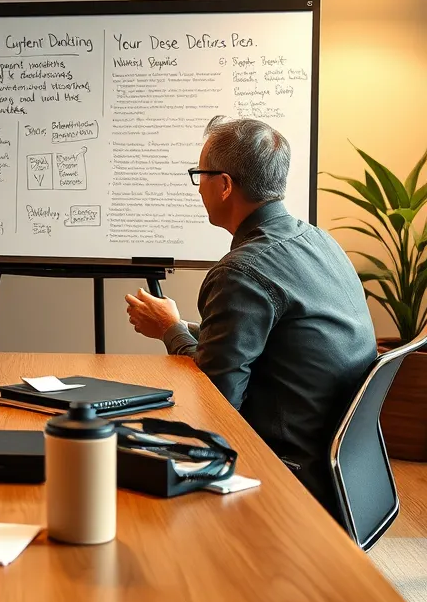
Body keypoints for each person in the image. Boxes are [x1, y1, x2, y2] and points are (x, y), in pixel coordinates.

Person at [124, 116, 377, 518]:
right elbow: (274, 343)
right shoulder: (318, 240)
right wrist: (180, 325)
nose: (199, 187)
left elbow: (218, 404)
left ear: (224, 185)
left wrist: (171, 331)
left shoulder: (240, 273)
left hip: (284, 472)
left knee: (117, 448)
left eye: (199, 175)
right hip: (339, 470)